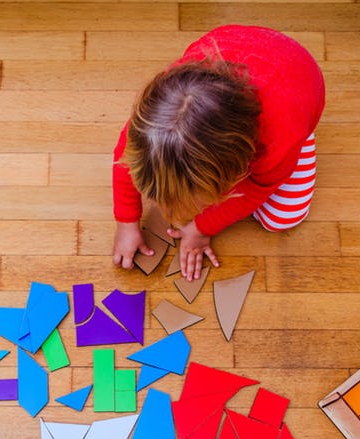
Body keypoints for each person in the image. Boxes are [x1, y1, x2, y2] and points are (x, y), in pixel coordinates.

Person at [111, 24, 325, 280]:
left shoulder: (278, 137)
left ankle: (303, 141)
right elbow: (125, 160)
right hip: (238, 51)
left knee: (281, 219)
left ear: (237, 167)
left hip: (296, 83)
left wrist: (202, 227)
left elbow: (256, 189)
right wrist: (127, 221)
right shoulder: (155, 121)